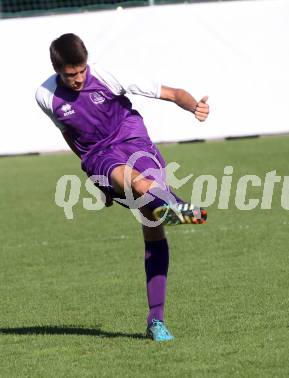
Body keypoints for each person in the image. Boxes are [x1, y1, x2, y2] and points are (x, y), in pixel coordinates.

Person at [35, 33, 209, 341]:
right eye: (70, 74)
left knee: (152, 225)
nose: (77, 79)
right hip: (99, 157)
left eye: (81, 71)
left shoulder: (107, 76)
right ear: (57, 70)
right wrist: (95, 181)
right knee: (136, 183)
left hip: (133, 141)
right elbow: (70, 135)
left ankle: (156, 321)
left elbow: (170, 93)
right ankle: (179, 208)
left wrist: (195, 106)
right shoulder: (46, 96)